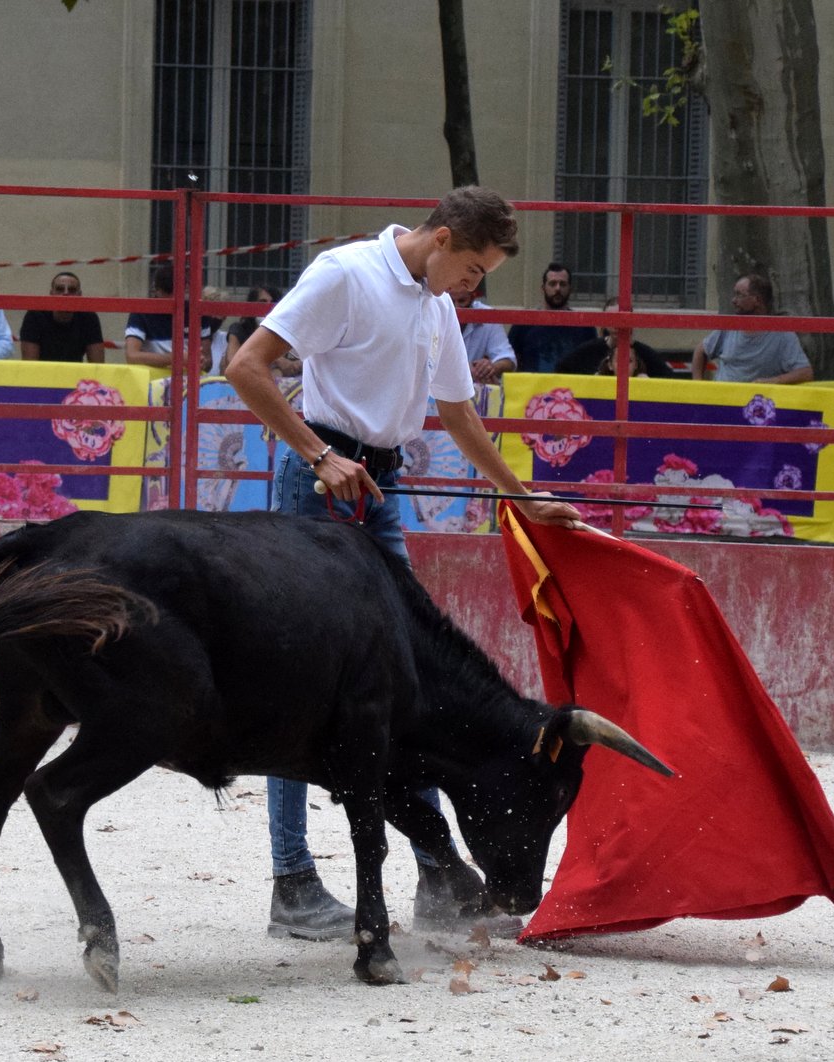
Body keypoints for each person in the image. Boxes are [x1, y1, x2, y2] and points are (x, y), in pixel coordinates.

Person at [224, 185, 581, 941]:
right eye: (476, 268)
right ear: (444, 237)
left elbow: (458, 413)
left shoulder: (436, 306)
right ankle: (293, 881)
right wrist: (318, 456)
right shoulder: (344, 274)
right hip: (316, 483)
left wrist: (521, 497)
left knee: (411, 683)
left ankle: (436, 871)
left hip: (373, 487)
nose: (476, 284)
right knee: (305, 687)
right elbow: (247, 367)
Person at [689, 273, 812, 384]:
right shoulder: (729, 327)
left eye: (739, 295)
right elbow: (701, 351)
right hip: (723, 402)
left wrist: (774, 381)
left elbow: (805, 373)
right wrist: (697, 385)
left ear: (756, 300)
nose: (733, 300)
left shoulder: (782, 335)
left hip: (756, 405)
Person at [506, 262, 596, 373]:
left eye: (563, 284)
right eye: (552, 284)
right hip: (533, 388)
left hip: (574, 389)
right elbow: (510, 360)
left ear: (570, 289)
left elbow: (593, 364)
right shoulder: (524, 324)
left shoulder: (584, 327)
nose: (557, 289)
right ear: (543, 288)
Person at [557, 296, 676, 377]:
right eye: (612, 319)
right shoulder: (588, 350)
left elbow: (669, 381)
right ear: (604, 323)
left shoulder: (646, 355)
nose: (617, 325)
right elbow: (561, 371)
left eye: (622, 319)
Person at [125, 264, 212, 372]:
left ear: (186, 288)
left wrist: (201, 361)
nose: (173, 305)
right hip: (153, 381)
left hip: (188, 380)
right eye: (167, 300)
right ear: (156, 291)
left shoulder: (198, 314)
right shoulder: (142, 313)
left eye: (179, 298)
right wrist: (175, 358)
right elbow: (132, 356)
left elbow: (208, 359)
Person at [19, 272, 105, 363]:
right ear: (51, 294)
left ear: (80, 295)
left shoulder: (89, 318)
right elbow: (30, 366)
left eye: (72, 290)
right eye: (60, 289)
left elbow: (97, 367)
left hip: (76, 374)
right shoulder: (34, 316)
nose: (66, 293)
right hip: (42, 374)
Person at [221, 284, 300, 377]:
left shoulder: (287, 331)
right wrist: (277, 360)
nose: (268, 307)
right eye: (263, 302)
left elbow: (300, 363)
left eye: (272, 302)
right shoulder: (239, 329)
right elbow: (232, 362)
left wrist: (292, 366)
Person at [452, 281, 516, 384]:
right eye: (450, 302)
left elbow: (508, 360)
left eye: (462, 301)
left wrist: (490, 368)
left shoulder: (488, 315)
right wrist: (465, 370)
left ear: (473, 297)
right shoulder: (434, 313)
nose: (456, 308)